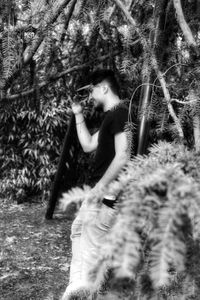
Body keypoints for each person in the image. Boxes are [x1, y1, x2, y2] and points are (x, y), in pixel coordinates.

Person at [62, 69, 132, 300]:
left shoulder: (121, 113)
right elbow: (88, 145)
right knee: (78, 232)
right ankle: (75, 290)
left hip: (106, 195)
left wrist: (100, 188)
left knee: (91, 248)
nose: (90, 95)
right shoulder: (111, 116)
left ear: (103, 88)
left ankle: (84, 292)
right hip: (99, 194)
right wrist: (78, 113)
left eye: (92, 89)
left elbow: (123, 156)